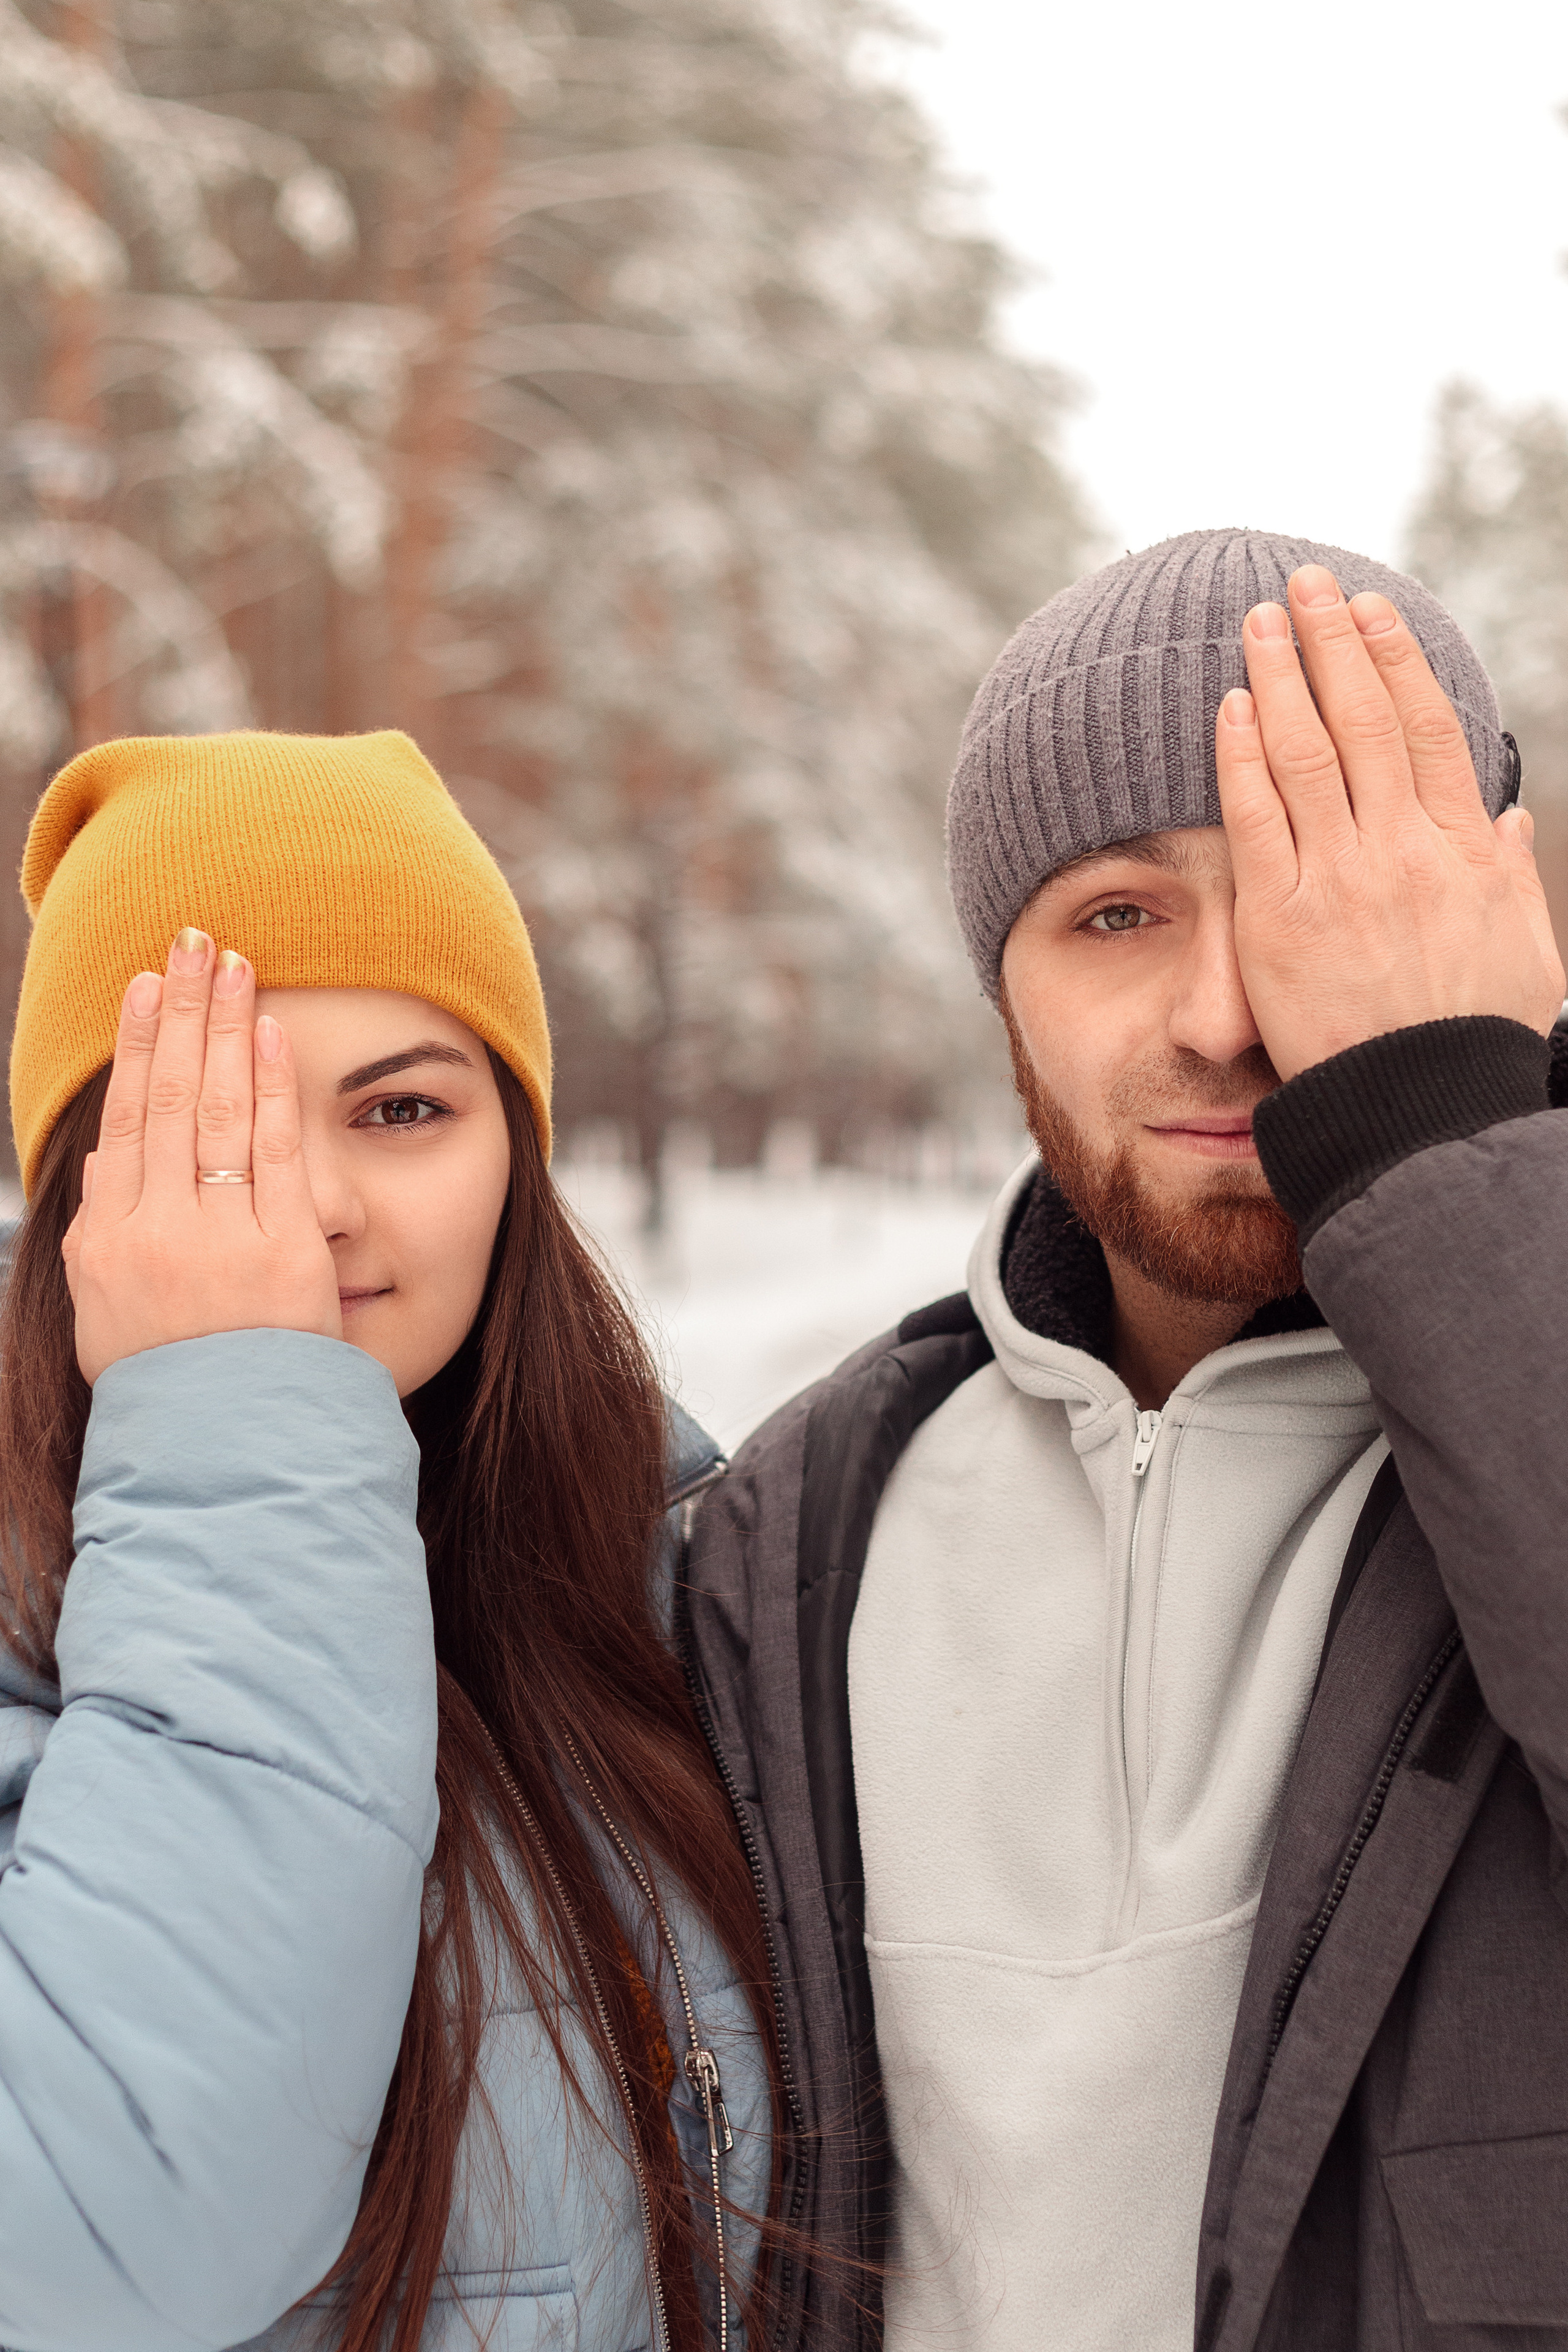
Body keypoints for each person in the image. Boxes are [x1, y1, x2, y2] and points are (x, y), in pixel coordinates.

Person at [682, 529, 1568, 2351]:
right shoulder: (795, 1526)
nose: (1228, 1017)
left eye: (1314, 895)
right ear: (996, 988)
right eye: (1115, 916)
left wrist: (1458, 1130)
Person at [0, 728, 784, 2352]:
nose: (320, 1207)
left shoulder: (686, 1593)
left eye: (404, 1109)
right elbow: (109, 2231)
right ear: (73, 1187)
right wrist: (230, 1426)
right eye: (209, 1123)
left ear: (517, 1159)